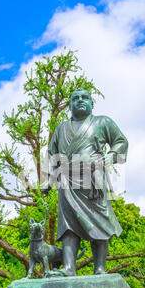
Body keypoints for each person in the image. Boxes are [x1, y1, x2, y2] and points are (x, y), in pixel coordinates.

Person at [43, 88, 128, 277]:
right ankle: (68, 268)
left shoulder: (102, 122)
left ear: (91, 103)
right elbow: (52, 156)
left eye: (85, 98)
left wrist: (112, 156)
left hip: (94, 178)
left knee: (99, 221)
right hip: (67, 180)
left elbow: (121, 142)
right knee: (68, 225)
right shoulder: (60, 129)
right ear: (70, 104)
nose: (80, 100)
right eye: (75, 98)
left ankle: (100, 269)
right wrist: (49, 179)